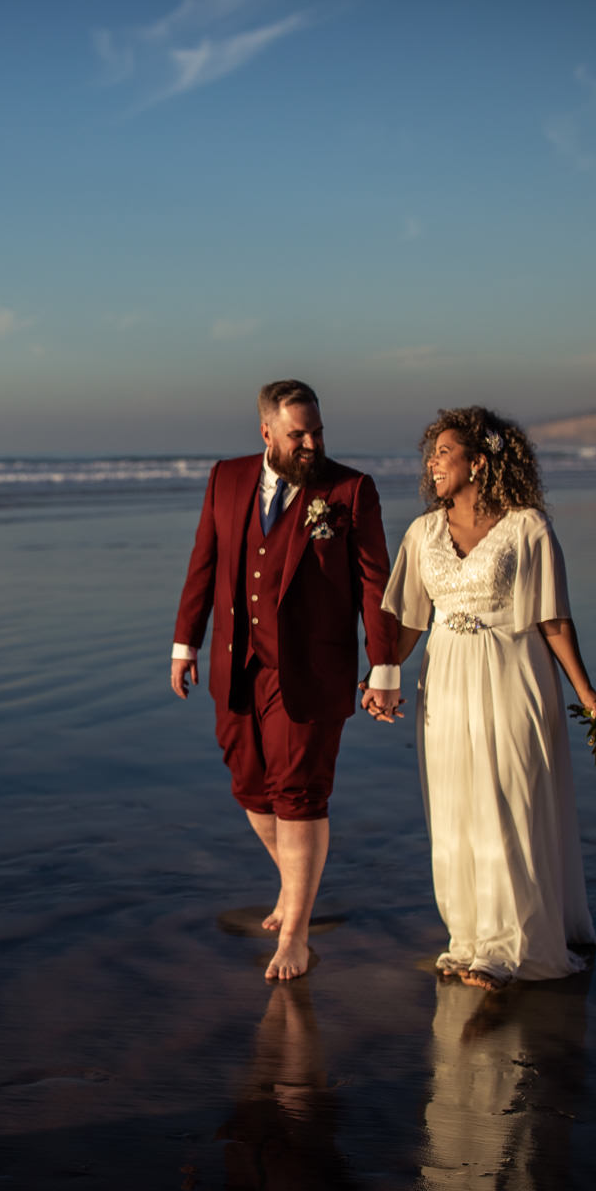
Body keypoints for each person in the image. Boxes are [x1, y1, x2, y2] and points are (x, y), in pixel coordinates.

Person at [170, 380, 400, 981]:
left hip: (311, 670)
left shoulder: (349, 490)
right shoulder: (226, 478)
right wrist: (183, 642)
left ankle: (295, 932)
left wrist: (384, 668)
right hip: (236, 660)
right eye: (298, 433)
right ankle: (296, 883)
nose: (311, 443)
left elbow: (376, 586)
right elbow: (205, 560)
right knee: (250, 785)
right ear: (266, 432)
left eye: (317, 432)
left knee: (298, 792)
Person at [373, 407, 596, 989]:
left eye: (444, 452)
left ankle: (512, 945)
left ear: (479, 460)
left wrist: (591, 700)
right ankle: (471, 938)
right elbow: (407, 627)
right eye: (431, 454)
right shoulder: (422, 534)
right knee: (456, 806)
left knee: (511, 799)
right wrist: (380, 675)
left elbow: (553, 619)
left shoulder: (528, 528)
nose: (432, 463)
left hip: (514, 677)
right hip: (444, 681)